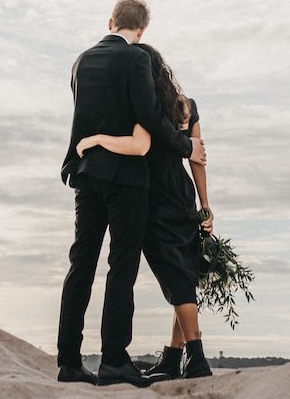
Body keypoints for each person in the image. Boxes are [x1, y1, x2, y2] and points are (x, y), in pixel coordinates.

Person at [55, 0, 204, 387]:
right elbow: (150, 117)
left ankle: (69, 362)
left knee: (81, 264)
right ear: (142, 31)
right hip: (126, 179)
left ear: (110, 21)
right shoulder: (136, 59)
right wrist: (186, 146)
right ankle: (114, 361)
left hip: (86, 173)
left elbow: (82, 118)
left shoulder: (81, 61)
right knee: (121, 267)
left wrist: (83, 152)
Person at [79, 45, 214, 380]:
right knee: (184, 272)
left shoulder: (145, 108)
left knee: (176, 277)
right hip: (182, 193)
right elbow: (197, 158)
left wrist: (95, 139)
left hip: (153, 197)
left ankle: (197, 360)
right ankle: (173, 356)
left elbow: (138, 146)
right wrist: (205, 205)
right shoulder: (186, 106)